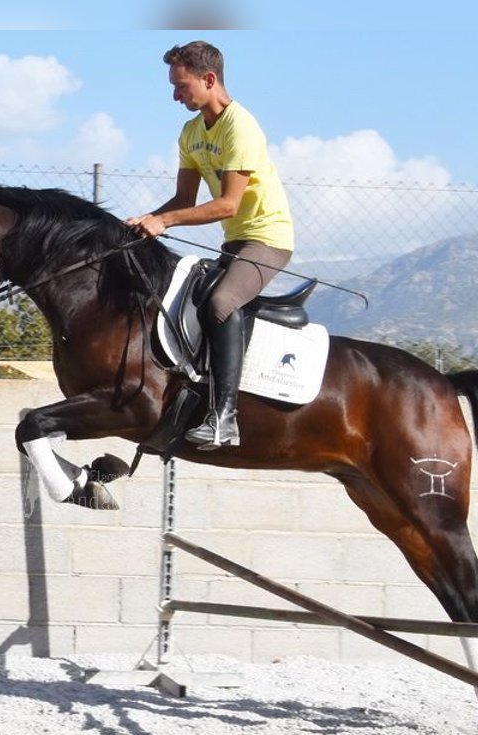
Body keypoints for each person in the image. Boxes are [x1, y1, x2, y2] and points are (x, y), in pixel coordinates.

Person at [126, 40, 294, 450]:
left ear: (209, 79)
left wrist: (163, 221)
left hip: (268, 240)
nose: (175, 95)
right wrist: (140, 222)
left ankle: (226, 419)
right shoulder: (190, 132)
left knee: (220, 303)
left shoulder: (241, 126)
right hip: (235, 241)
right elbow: (184, 202)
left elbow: (227, 203)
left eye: (181, 86)